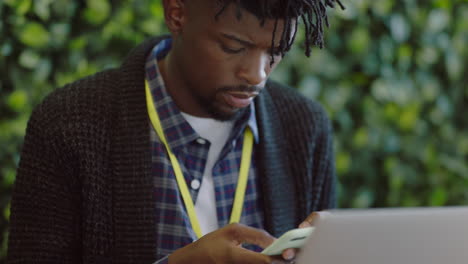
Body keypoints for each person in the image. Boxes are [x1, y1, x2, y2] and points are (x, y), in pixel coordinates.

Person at [7, 0, 343, 263]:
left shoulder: (305, 128)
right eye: (233, 46)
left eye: (276, 51)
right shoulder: (69, 125)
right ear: (177, 13)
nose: (257, 75)